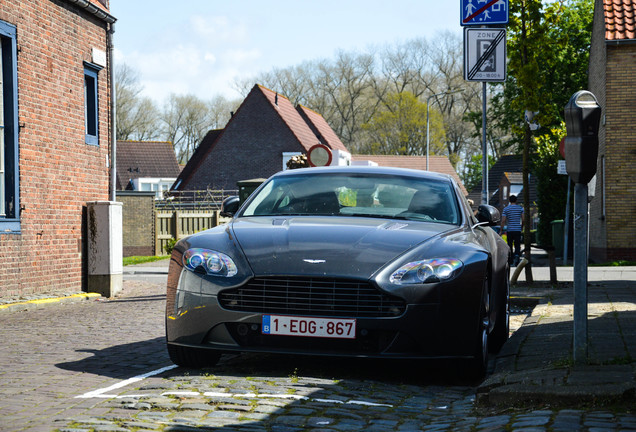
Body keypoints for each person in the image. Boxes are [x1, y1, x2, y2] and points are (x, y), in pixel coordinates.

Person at [501, 194, 524, 265]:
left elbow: (503, 220)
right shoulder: (520, 208)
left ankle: (510, 259)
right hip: (518, 229)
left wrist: (501, 230)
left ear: (509, 201)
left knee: (510, 245)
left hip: (510, 230)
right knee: (517, 244)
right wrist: (522, 226)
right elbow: (523, 219)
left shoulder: (506, 209)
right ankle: (517, 256)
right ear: (516, 200)